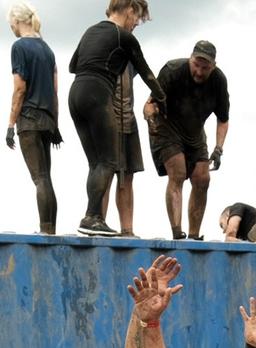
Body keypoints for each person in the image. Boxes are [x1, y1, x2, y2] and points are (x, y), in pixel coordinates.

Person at [69, 0, 164, 237]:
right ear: (130, 10)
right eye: (137, 17)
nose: (136, 23)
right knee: (109, 161)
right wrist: (162, 98)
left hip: (76, 94)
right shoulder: (124, 37)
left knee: (95, 162)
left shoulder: (90, 31)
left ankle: (92, 218)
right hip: (98, 93)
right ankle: (92, 217)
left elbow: (72, 65)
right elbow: (147, 73)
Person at [148, 40, 229, 239]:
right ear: (190, 59)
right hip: (167, 126)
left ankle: (194, 236)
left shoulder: (218, 81)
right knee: (178, 171)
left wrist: (218, 149)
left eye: (205, 68)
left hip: (195, 131)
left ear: (213, 66)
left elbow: (223, 119)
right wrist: (149, 115)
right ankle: (177, 233)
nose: (199, 72)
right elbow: (149, 105)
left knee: (203, 178)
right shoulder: (172, 70)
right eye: (196, 65)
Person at [6, 3, 62, 235]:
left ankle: (45, 232)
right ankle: (51, 229)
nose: (11, 28)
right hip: (48, 119)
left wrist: (10, 124)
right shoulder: (47, 50)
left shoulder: (19, 47)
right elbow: (55, 90)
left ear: (17, 21)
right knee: (46, 178)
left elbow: (20, 89)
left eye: (11, 24)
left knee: (39, 178)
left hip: (29, 118)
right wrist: (56, 124)